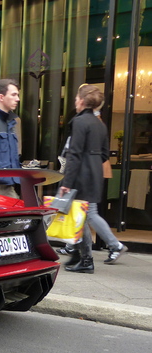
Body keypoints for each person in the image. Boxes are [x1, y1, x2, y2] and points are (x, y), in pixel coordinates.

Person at [58, 85, 128, 273]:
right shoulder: (100, 124)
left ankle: (91, 255)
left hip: (80, 175)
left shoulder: (79, 122)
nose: (74, 101)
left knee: (84, 215)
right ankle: (82, 257)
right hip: (94, 173)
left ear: (81, 101)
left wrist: (66, 183)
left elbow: (74, 154)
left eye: (75, 98)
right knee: (84, 216)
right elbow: (105, 154)